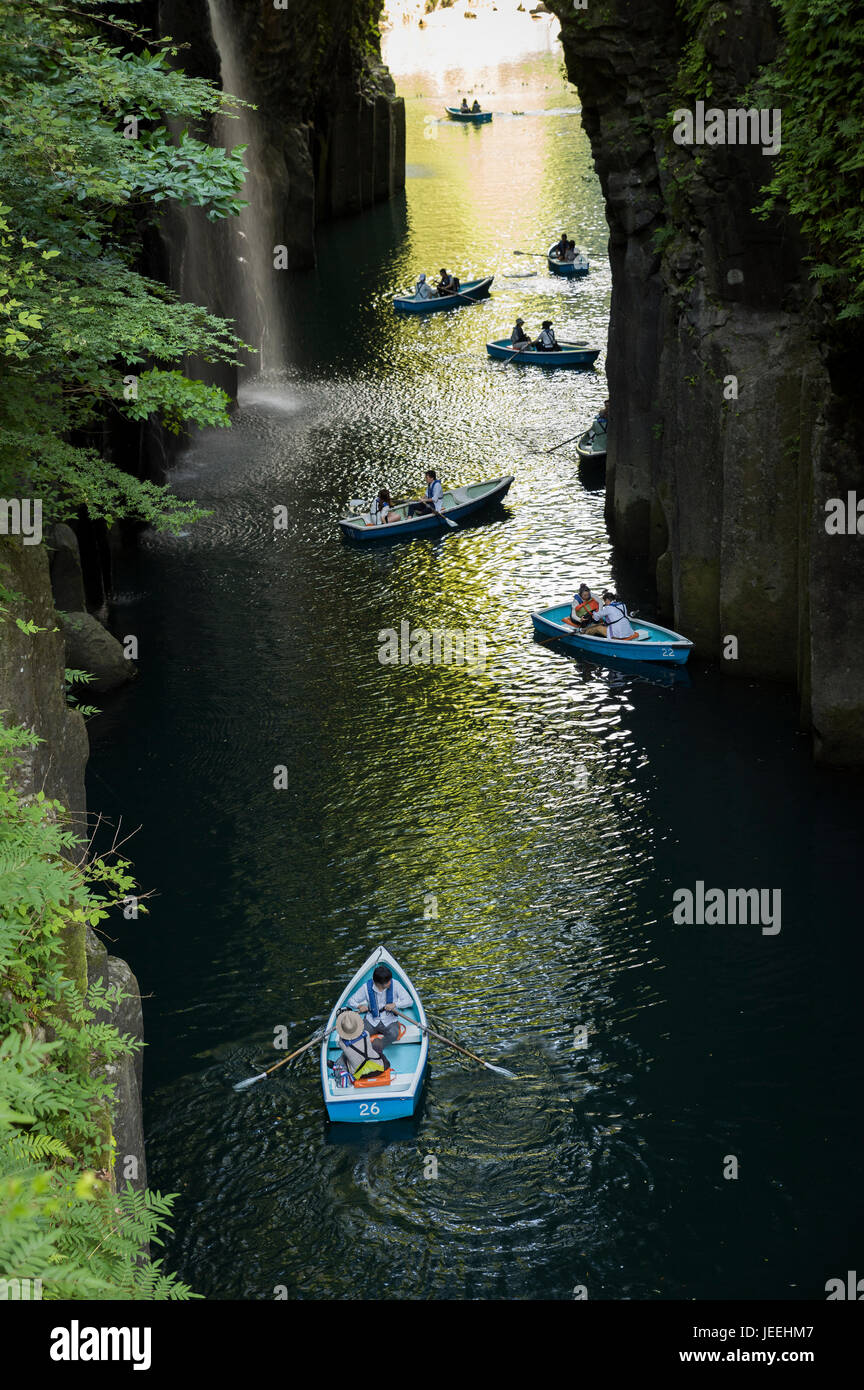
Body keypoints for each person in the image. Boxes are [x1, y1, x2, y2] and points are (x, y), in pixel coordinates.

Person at [347, 963, 413, 1046]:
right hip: (371, 1020)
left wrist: (395, 1004)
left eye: (390, 980)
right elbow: (350, 1001)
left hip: (390, 1020)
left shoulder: (395, 984)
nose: (390, 982)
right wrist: (359, 1006)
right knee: (359, 1036)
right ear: (378, 983)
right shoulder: (365, 987)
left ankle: (378, 1045)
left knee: (393, 1035)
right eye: (388, 982)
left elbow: (409, 1001)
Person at [335, 1010, 389, 1080]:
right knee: (377, 1041)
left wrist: (342, 1027)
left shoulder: (342, 1043)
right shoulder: (366, 1034)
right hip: (378, 1069)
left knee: (343, 1055)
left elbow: (341, 1037)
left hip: (360, 1075)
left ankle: (336, 1066)